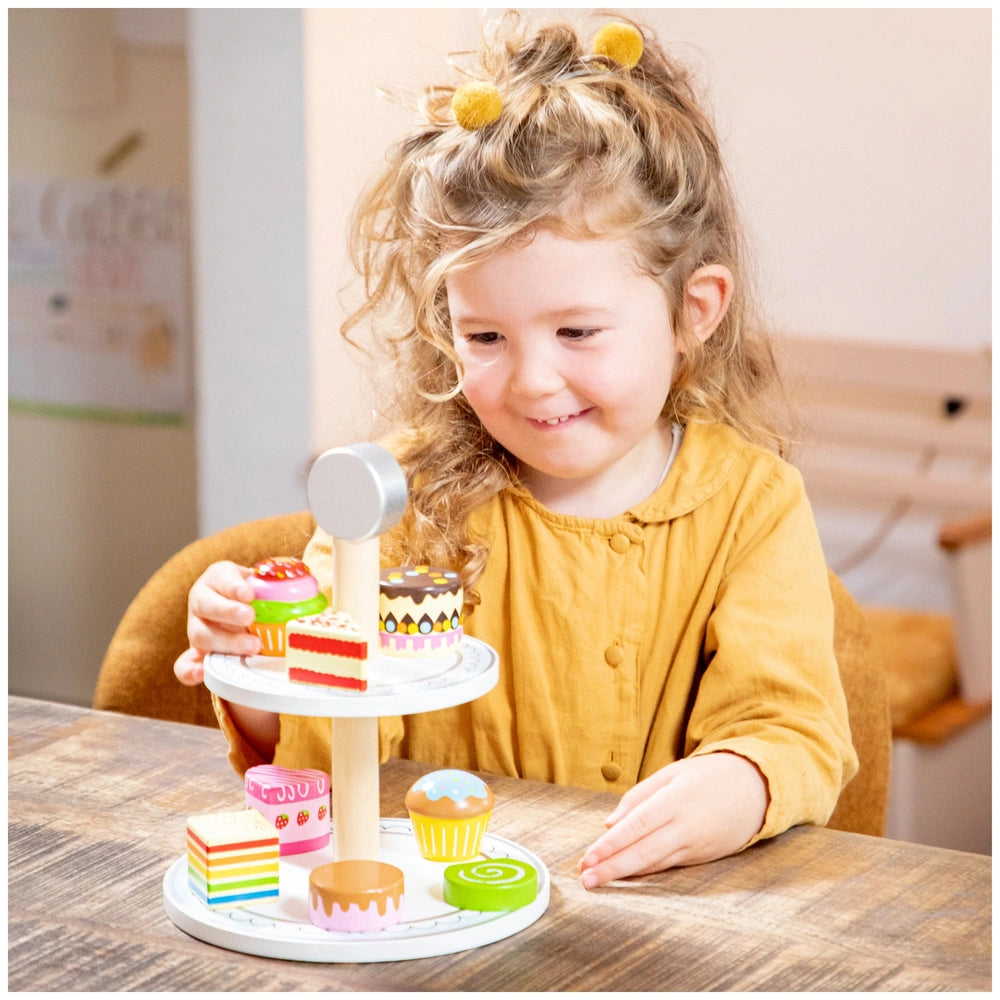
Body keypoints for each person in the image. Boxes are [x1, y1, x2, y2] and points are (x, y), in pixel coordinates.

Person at [175, 12, 857, 889]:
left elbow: (793, 727)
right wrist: (251, 666)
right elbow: (319, 753)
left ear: (694, 311)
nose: (533, 381)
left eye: (577, 330)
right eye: (486, 336)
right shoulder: (401, 495)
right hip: (429, 916)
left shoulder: (749, 504)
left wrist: (742, 779)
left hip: (647, 924)